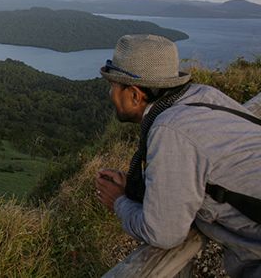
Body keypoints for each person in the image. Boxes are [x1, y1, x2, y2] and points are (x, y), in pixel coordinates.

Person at [94, 34, 261, 277]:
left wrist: (119, 201)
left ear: (134, 95)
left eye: (113, 86)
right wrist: (135, 186)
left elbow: (163, 234)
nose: (110, 94)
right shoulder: (203, 95)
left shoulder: (169, 130)